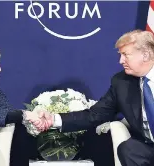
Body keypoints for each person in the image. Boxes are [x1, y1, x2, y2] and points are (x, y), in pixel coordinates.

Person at [31, 30, 154, 166]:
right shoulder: (122, 82)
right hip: (149, 147)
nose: (121, 61)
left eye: (125, 55)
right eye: (120, 55)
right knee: (129, 149)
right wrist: (53, 119)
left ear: (145, 55)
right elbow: (95, 114)